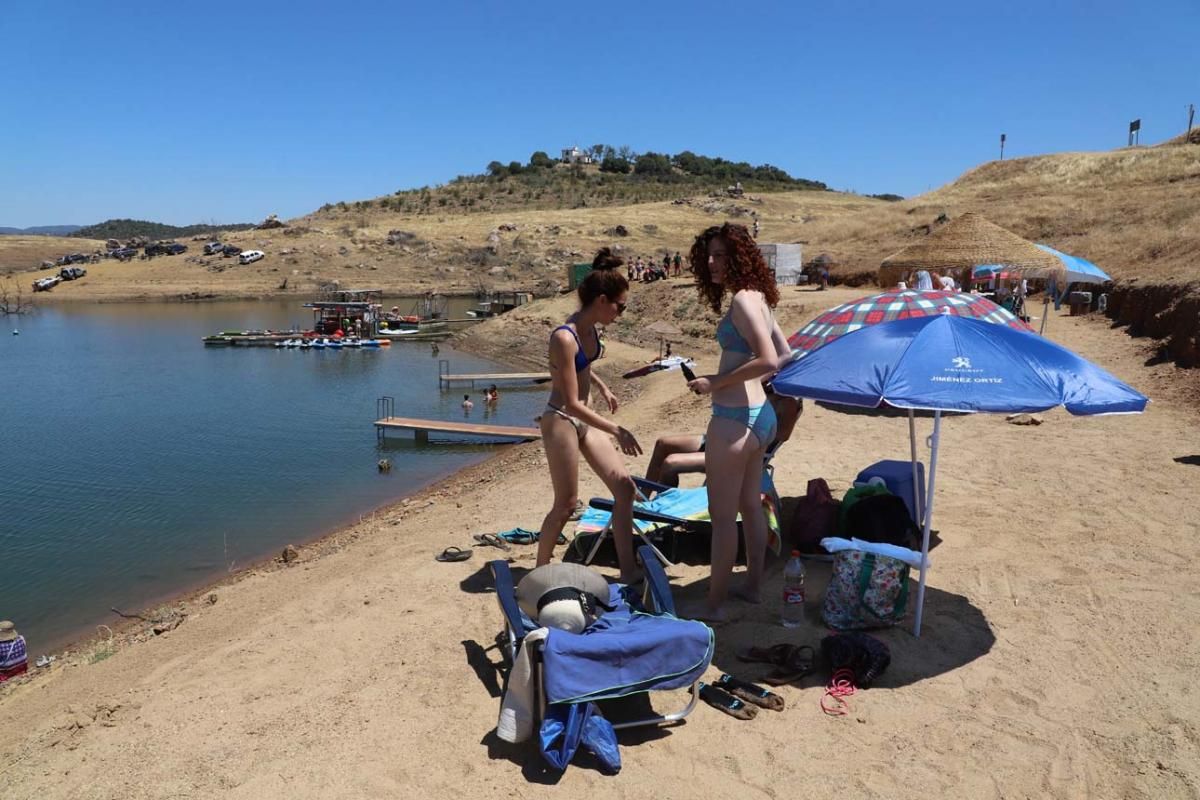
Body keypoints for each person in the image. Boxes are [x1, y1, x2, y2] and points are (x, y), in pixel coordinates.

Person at [686, 223, 792, 621]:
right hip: (761, 416)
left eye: (720, 255)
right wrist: (747, 381)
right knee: (750, 505)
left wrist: (717, 382)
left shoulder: (743, 303)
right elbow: (786, 353)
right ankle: (751, 587)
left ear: (739, 257)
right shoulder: (758, 298)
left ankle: (714, 605)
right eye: (709, 255)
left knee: (722, 515)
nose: (712, 263)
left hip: (733, 420)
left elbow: (767, 359)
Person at [536, 248, 642, 583]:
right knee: (566, 505)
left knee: (624, 489)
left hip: (586, 417)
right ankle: (540, 573)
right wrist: (616, 430)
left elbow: (583, 365)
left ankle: (628, 571)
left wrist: (603, 387)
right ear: (601, 300)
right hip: (562, 420)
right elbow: (570, 402)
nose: (621, 313)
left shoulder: (591, 329)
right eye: (619, 306)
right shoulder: (563, 337)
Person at [645, 387, 802, 487]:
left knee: (670, 463)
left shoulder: (788, 402)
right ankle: (643, 497)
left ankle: (665, 508)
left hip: (740, 453)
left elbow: (783, 435)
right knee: (663, 444)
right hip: (721, 439)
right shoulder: (761, 387)